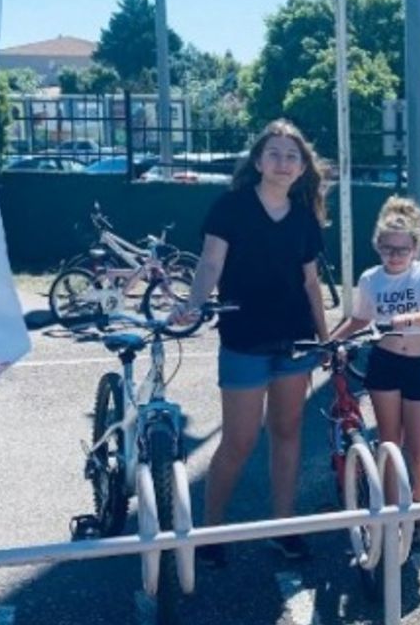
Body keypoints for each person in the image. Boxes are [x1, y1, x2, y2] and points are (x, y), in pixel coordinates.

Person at [172, 119, 331, 565]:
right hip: (244, 339)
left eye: (292, 156)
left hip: (295, 341)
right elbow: (210, 264)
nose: (283, 162)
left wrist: (325, 340)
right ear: (258, 161)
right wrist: (194, 303)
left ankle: (283, 527)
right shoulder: (231, 207)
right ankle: (210, 532)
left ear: (302, 167)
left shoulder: (304, 218)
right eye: (274, 154)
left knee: (287, 433)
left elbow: (311, 283)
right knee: (239, 441)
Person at [329, 197, 420, 552]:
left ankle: (417, 512)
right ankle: (393, 515)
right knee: (390, 444)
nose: (394, 256)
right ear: (378, 247)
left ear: (415, 249)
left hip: (417, 366)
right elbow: (360, 318)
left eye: (402, 250)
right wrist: (331, 342)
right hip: (384, 363)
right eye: (388, 249)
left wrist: (402, 320)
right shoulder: (370, 279)